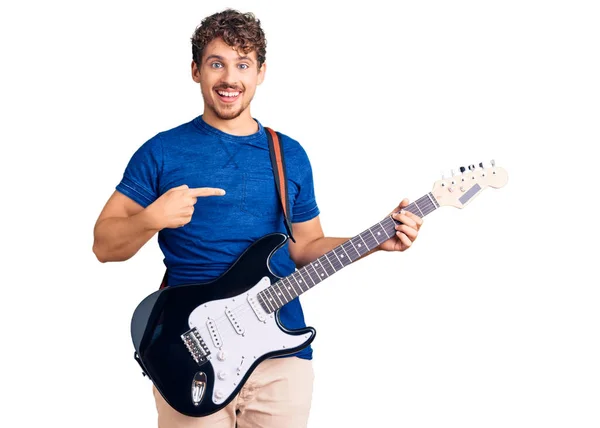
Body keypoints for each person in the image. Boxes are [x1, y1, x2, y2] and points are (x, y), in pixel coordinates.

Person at [92, 8, 423, 428]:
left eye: (243, 65)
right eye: (217, 64)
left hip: (280, 357)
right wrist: (152, 217)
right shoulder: (161, 151)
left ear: (261, 72)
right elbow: (104, 245)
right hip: (190, 353)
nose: (230, 78)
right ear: (195, 71)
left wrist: (377, 240)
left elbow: (305, 247)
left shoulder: (290, 156)